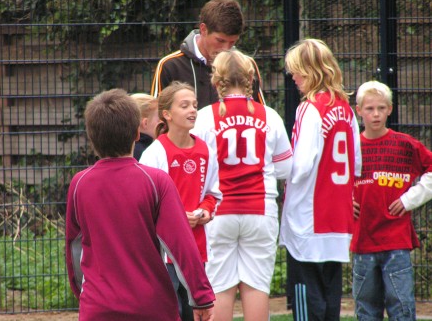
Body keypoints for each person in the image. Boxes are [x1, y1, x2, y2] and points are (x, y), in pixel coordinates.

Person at [65, 88, 215, 321]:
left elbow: (74, 248)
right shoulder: (156, 181)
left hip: (97, 307)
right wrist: (201, 297)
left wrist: (83, 293)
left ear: (91, 136)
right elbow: (181, 243)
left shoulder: (79, 184)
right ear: (137, 133)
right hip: (151, 306)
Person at [192, 49, 293, 321]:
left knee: (220, 288)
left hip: (217, 214)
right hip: (260, 213)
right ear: (251, 79)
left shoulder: (203, 117)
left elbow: (196, 166)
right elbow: (285, 167)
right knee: (256, 286)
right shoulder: (269, 115)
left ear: (217, 81)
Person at [279, 38, 362, 321]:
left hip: (307, 217)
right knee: (330, 298)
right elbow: (357, 163)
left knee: (306, 298)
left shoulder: (310, 107)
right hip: (337, 218)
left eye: (296, 70)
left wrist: (279, 172)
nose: (293, 77)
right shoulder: (346, 108)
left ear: (311, 70)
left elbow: (301, 166)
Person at [140, 81, 221, 321]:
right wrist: (173, 218)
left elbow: (213, 194)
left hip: (195, 249)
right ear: (167, 114)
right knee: (167, 310)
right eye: (184, 105)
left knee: (193, 312)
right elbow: (145, 200)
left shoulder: (206, 150)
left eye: (195, 105)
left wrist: (205, 212)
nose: (193, 110)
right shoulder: (154, 153)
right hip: (165, 251)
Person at [351, 80, 432, 320]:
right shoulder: (350, 146)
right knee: (366, 310)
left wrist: (411, 199)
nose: (375, 114)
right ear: (358, 110)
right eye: (369, 108)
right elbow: (332, 178)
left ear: (390, 109)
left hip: (397, 241)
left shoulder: (405, 144)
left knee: (402, 308)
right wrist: (343, 202)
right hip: (363, 241)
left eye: (381, 108)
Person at [151, 0, 266, 109]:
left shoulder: (245, 65)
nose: (226, 49)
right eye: (220, 40)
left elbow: (261, 114)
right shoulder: (170, 65)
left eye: (232, 42)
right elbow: (157, 118)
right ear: (203, 29)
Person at [130, 93, 160, 160]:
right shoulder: (149, 153)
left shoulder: (126, 150)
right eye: (158, 119)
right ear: (145, 123)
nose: (162, 122)